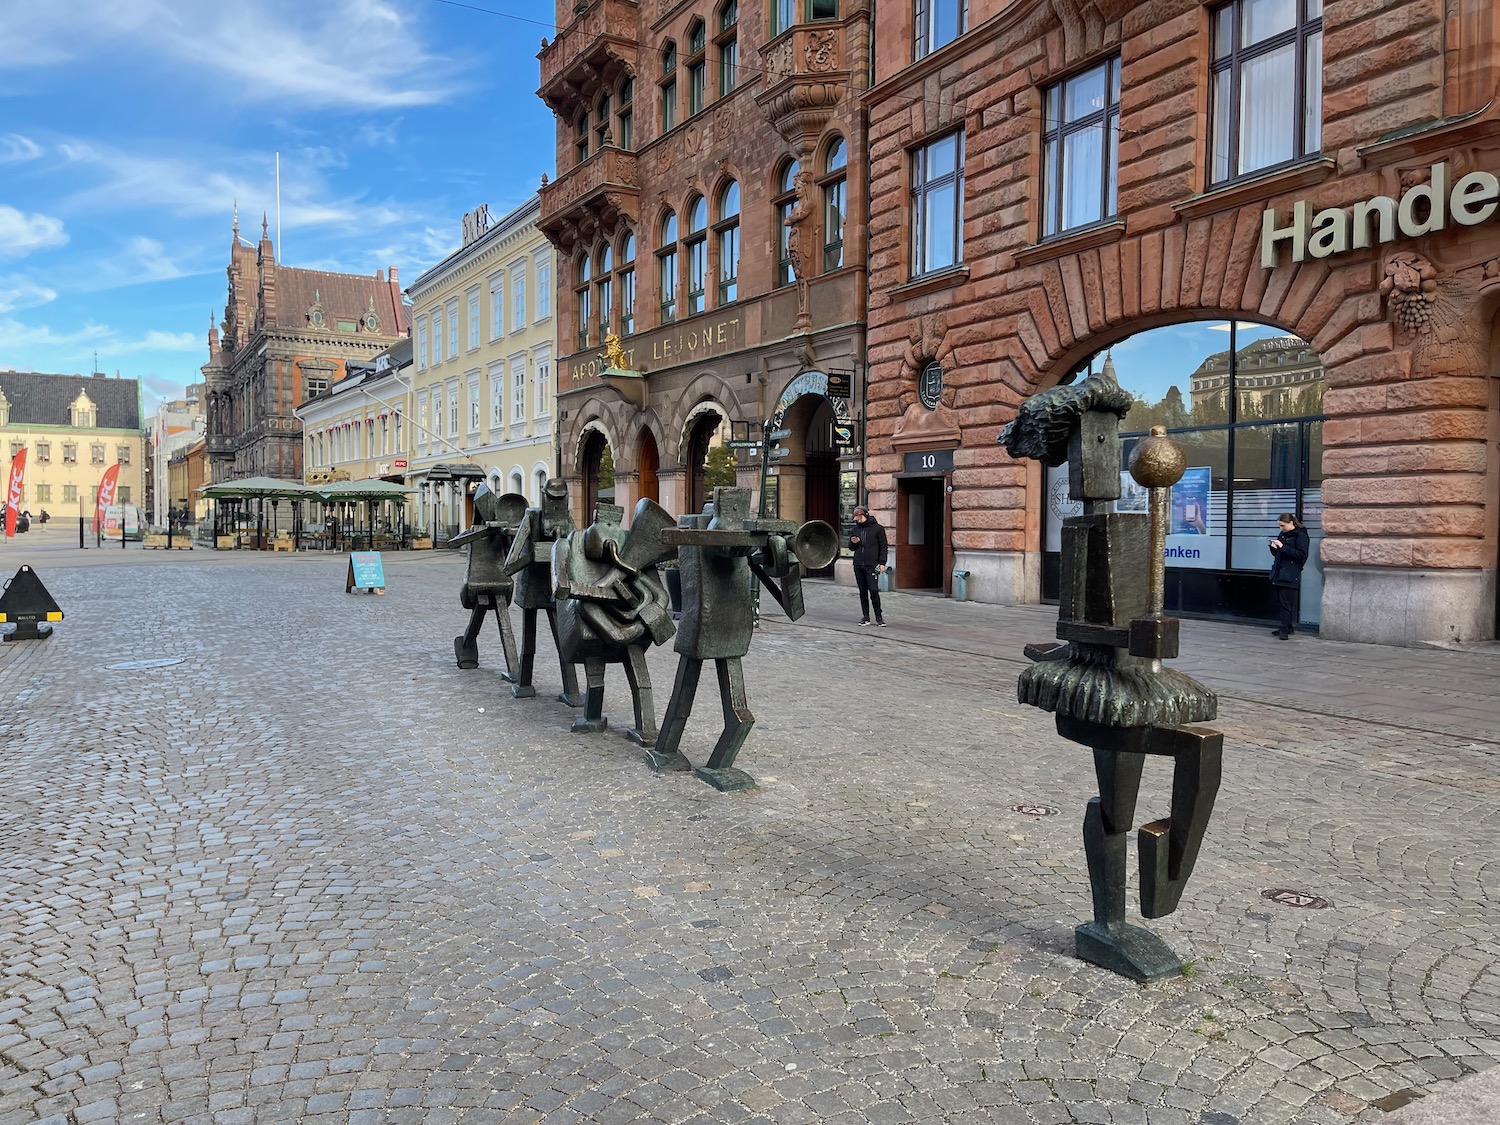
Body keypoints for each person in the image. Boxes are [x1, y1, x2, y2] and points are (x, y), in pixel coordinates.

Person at [1268, 512, 1309, 639]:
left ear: (1291, 523)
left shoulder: (1301, 536)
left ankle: (1284, 630)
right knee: (1281, 602)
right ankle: (1288, 627)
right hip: (1279, 572)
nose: (1281, 528)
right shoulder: (1283, 535)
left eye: (1283, 526)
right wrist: (1273, 547)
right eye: (1280, 526)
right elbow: (1278, 554)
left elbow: (1301, 555)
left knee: (1286, 603)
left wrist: (1283, 547)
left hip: (1290, 573)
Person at [849, 505, 888, 626]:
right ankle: (866, 617)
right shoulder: (856, 530)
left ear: (865, 515)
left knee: (874, 590)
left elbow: (883, 546)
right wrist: (853, 542)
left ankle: (879, 617)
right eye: (856, 519)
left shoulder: (877, 529)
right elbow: (851, 548)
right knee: (862, 591)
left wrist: (882, 563)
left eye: (860, 518)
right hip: (858, 563)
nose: (858, 520)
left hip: (872, 565)